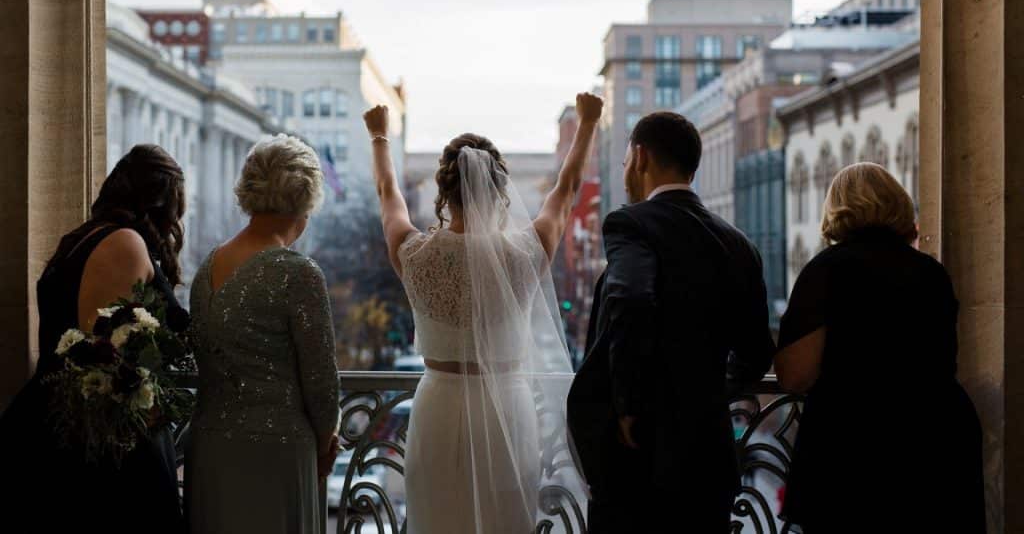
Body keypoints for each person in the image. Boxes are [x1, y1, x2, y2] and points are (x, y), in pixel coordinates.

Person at [363, 93, 600, 533]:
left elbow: (387, 194)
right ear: (499, 191)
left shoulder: (414, 255)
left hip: (437, 405)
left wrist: (379, 135)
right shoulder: (526, 255)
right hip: (505, 412)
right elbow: (565, 192)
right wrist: (588, 123)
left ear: (443, 192)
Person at [567, 111, 776, 533]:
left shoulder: (631, 223)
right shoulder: (740, 245)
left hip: (638, 460)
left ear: (641, 157)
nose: (626, 169)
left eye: (626, 159)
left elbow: (631, 297)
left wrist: (628, 404)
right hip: (707, 459)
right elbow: (756, 352)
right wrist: (706, 390)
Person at [775, 162, 985, 533]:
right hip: (936, 444)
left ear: (837, 207)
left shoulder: (826, 270)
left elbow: (794, 374)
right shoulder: (930, 272)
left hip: (854, 449)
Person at [0, 144, 189, 534]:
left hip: (53, 422)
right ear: (161, 201)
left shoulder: (80, 238)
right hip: (98, 438)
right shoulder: (123, 242)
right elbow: (102, 348)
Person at [186, 134, 340, 534]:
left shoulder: (207, 267)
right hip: (278, 455)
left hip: (210, 449)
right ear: (306, 200)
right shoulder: (298, 272)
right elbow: (322, 382)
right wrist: (326, 443)